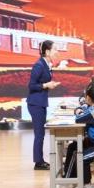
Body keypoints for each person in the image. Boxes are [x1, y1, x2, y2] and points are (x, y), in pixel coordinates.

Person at [28, 40, 60, 170]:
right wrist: (46, 85)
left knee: (40, 133)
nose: (57, 52)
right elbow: (31, 86)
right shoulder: (39, 65)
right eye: (55, 49)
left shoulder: (46, 64)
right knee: (39, 134)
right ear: (47, 51)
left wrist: (49, 85)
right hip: (35, 104)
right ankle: (38, 162)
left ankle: (39, 161)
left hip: (40, 103)